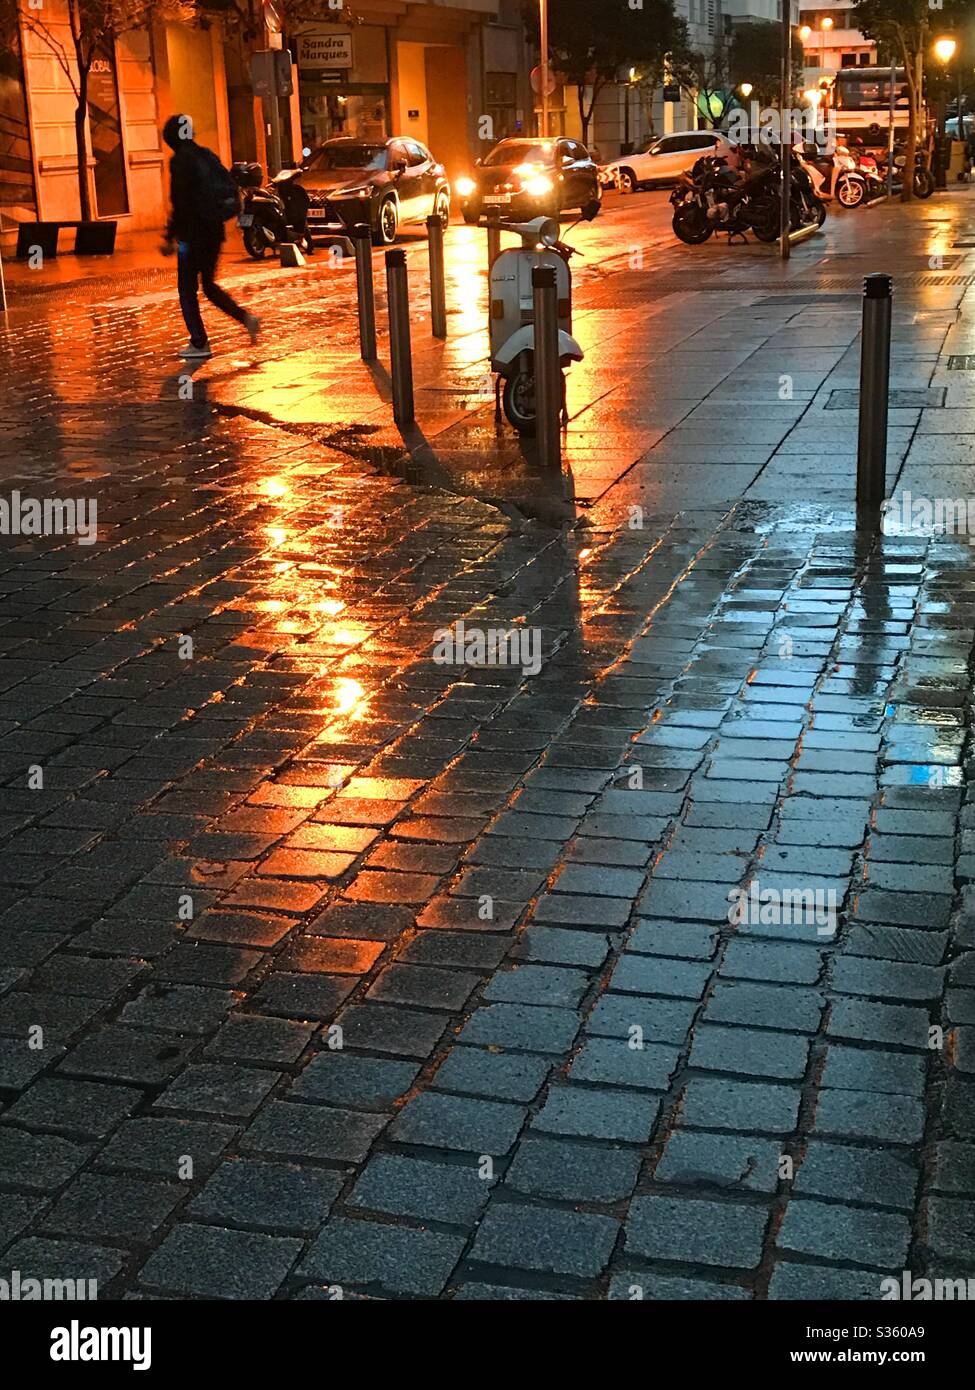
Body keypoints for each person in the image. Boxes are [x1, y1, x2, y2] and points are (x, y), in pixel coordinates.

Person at [161, 114, 259, 359]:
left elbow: (180, 201)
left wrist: (171, 236)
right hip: (214, 231)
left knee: (187, 289)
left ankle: (199, 342)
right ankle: (245, 318)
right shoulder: (207, 155)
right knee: (209, 285)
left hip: (192, 235)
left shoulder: (180, 161)